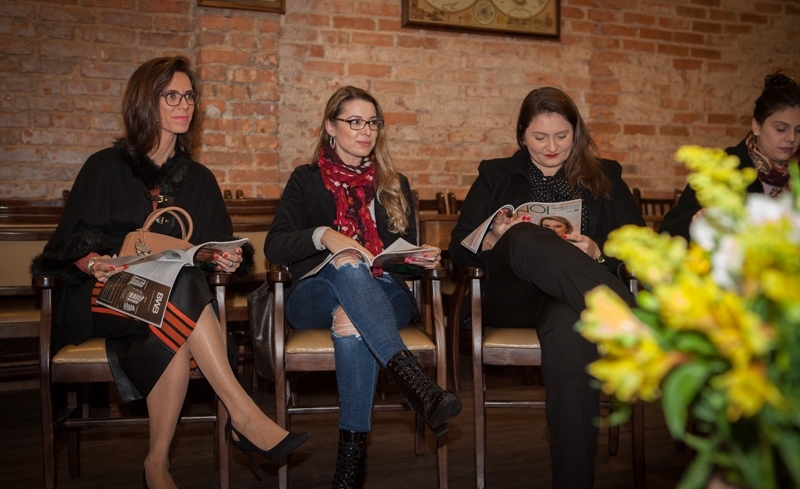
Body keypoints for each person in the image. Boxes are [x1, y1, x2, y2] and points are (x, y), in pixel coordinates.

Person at [31, 56, 309, 489]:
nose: (185, 105)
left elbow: (211, 247)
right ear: (147, 102)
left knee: (179, 303)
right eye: (172, 96)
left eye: (189, 96)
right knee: (183, 286)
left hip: (169, 303)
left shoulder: (198, 178)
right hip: (103, 296)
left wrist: (225, 259)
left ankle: (156, 465)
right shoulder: (104, 166)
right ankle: (243, 413)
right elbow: (64, 247)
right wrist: (93, 261)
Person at [264, 86, 462, 489]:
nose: (365, 130)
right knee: (348, 261)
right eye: (354, 121)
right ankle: (414, 382)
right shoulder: (305, 180)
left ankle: (351, 464)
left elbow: (398, 258)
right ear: (330, 127)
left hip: (385, 292)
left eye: (372, 122)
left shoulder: (393, 183)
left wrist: (419, 259)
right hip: (313, 293)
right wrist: (325, 236)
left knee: (350, 320)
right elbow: (275, 245)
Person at [449, 87, 645, 489]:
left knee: (573, 329)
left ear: (577, 132)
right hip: (514, 296)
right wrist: (493, 237)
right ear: (522, 135)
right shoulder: (496, 173)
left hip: (573, 301)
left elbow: (640, 247)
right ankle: (634, 319)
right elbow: (457, 249)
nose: (552, 146)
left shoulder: (606, 175)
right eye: (540, 137)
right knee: (523, 236)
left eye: (562, 135)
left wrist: (598, 251)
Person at [661, 72, 800, 240]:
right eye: (780, 129)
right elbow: (668, 231)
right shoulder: (723, 169)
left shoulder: (796, 175)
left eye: (799, 130)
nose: (791, 138)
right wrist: (697, 220)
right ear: (756, 126)